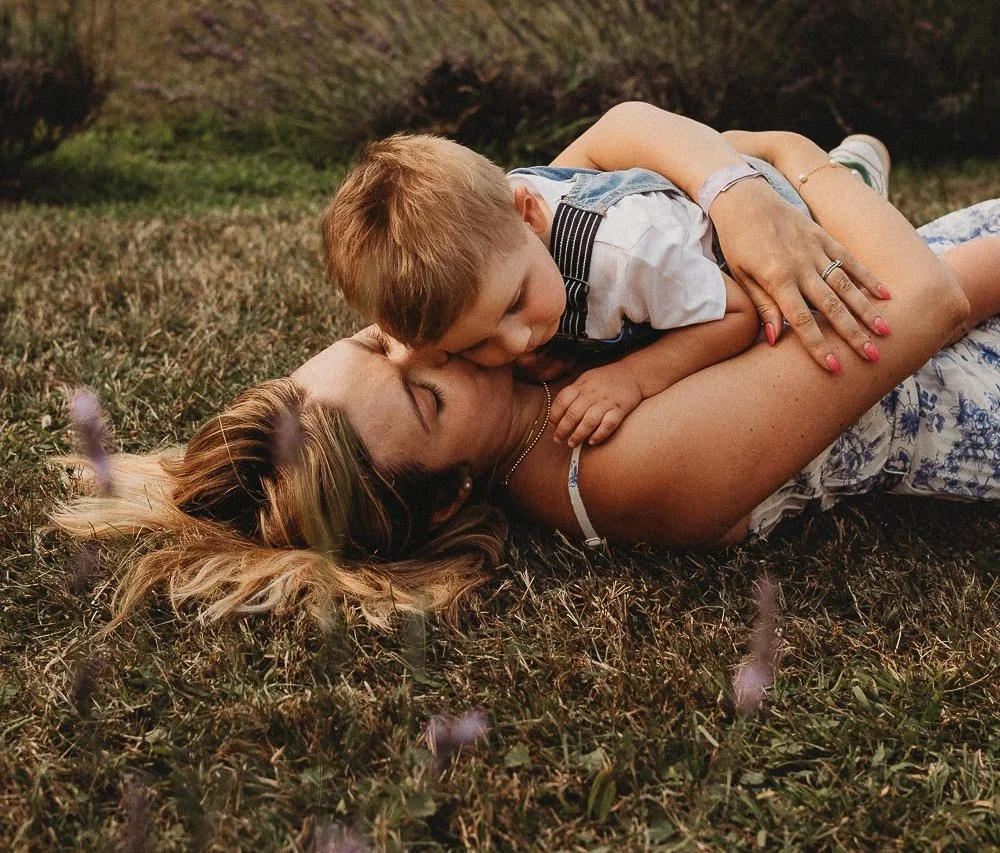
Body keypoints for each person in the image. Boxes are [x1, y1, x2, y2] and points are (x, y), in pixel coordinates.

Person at [50, 111, 996, 631]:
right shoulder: (619, 468)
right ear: (455, 492)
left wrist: (734, 193)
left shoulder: (526, 324)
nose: (426, 349)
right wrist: (789, 162)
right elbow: (919, 307)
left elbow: (612, 144)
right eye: (422, 393)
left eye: (373, 341)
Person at [323, 123, 892, 447]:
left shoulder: (626, 254)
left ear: (529, 215)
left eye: (516, 305)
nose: (517, 342)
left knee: (853, 269)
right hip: (672, 262)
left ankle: (855, 175)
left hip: (774, 234)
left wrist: (631, 379)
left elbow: (738, 313)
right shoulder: (498, 240)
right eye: (476, 344)